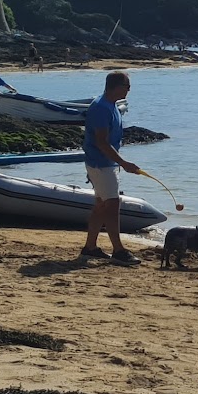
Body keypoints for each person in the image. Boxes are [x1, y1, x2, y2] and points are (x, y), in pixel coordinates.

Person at [80, 71, 142, 266]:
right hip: (100, 163)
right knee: (112, 204)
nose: (129, 89)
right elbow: (101, 142)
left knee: (101, 205)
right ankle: (118, 250)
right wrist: (124, 163)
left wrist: (119, 162)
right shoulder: (101, 108)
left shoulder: (111, 105)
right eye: (127, 86)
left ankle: (90, 247)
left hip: (104, 163)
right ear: (117, 86)